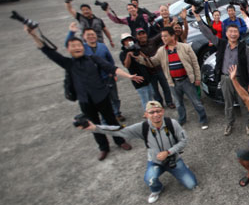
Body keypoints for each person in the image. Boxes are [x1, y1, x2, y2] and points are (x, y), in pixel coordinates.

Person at [25, 25, 142, 160]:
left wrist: (129, 76)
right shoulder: (68, 63)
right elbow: (48, 52)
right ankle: (103, 148)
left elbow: (111, 68)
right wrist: (33, 35)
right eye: (73, 46)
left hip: (102, 97)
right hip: (85, 100)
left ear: (83, 46)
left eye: (78, 45)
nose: (77, 48)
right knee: (92, 125)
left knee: (111, 121)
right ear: (68, 49)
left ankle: (120, 141)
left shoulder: (93, 59)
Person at [80, 101, 197, 204]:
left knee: (192, 185)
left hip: (173, 159)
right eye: (151, 112)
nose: (155, 114)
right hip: (156, 162)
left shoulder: (172, 124)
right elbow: (120, 131)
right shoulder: (142, 127)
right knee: (150, 179)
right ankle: (157, 190)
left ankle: (181, 167)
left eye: (158, 111)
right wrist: (95, 128)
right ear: (146, 114)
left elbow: (184, 140)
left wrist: (168, 152)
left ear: (162, 111)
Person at [137, 27, 208, 128]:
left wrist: (197, 78)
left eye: (165, 36)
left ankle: (203, 119)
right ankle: (182, 119)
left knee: (196, 102)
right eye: (162, 36)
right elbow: (152, 62)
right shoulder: (162, 51)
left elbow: (195, 63)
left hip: (187, 80)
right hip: (173, 82)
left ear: (173, 36)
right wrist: (140, 59)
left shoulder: (185, 47)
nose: (163, 38)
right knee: (179, 104)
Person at [196, 16, 249, 136]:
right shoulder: (221, 44)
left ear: (239, 34)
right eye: (231, 32)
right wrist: (199, 20)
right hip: (225, 79)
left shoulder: (244, 48)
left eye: (235, 32)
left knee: (244, 102)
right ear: (226, 33)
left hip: (239, 80)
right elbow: (208, 34)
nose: (233, 34)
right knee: (228, 104)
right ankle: (229, 124)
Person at [66, 25, 125, 121]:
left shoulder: (102, 46)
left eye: (93, 34)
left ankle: (117, 113)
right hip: (95, 81)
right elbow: (68, 45)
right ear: (84, 37)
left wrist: (113, 73)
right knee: (101, 100)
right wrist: (71, 32)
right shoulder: (81, 48)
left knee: (114, 97)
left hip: (108, 77)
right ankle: (104, 118)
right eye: (88, 35)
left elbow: (110, 60)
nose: (91, 36)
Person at [136, 28, 176, 109]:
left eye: (143, 33)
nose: (142, 36)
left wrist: (169, 24)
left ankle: (169, 102)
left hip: (159, 68)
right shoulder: (136, 47)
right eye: (139, 34)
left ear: (146, 34)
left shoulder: (152, 41)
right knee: (155, 90)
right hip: (149, 72)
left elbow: (162, 34)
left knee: (166, 87)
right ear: (136, 36)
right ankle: (159, 104)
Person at [119, 33, 154, 110]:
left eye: (130, 40)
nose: (129, 41)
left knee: (151, 98)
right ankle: (147, 113)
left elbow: (146, 59)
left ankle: (151, 112)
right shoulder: (123, 53)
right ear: (123, 42)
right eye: (126, 40)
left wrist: (138, 51)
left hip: (147, 77)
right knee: (145, 100)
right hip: (138, 79)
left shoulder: (137, 49)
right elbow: (126, 65)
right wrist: (128, 55)